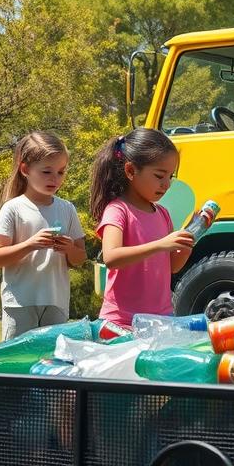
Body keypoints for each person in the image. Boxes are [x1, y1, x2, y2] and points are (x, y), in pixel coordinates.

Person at [90, 128, 194, 327]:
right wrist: (161, 245)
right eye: (159, 176)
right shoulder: (118, 210)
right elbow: (111, 258)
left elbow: (172, 266)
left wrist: (190, 237)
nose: (166, 185)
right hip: (122, 323)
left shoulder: (162, 214)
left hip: (161, 319)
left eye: (170, 176)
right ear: (130, 171)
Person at [0, 131, 85, 338]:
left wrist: (69, 249)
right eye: (46, 172)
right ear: (25, 169)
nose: (55, 179)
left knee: (51, 363)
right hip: (20, 301)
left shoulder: (67, 209)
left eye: (61, 172)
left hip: (56, 301)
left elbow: (80, 258)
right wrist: (30, 244)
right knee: (16, 362)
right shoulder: (13, 208)